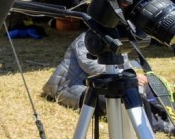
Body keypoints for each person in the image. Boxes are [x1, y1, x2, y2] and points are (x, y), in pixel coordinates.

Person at [43, 31, 174, 133]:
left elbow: (125, 65)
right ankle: (161, 125)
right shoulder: (87, 38)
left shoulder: (118, 40)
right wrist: (129, 75)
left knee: (150, 84)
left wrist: (134, 76)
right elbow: (92, 67)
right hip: (74, 87)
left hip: (105, 83)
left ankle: (168, 115)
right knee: (120, 99)